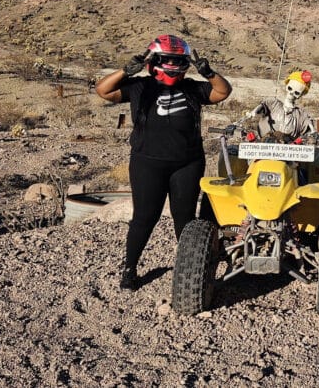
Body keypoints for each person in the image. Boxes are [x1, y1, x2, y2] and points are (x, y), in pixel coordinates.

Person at [95, 34, 232, 291]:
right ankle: (129, 269)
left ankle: (190, 270)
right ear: (155, 60)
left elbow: (223, 91)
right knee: (145, 218)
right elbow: (103, 90)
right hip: (148, 163)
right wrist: (126, 70)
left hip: (187, 164)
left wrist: (208, 71)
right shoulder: (139, 87)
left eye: (177, 60)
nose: (172, 64)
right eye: (167, 59)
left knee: (186, 221)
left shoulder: (193, 87)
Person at [251, 69, 315, 140]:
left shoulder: (299, 114)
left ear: (301, 95)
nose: (291, 93)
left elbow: (307, 122)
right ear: (287, 85)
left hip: (288, 144)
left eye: (296, 93)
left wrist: (313, 131)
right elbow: (263, 105)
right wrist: (254, 111)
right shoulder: (274, 104)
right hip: (267, 141)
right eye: (290, 88)